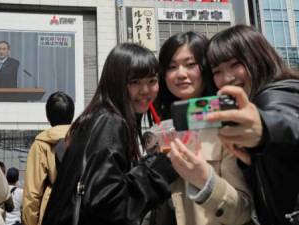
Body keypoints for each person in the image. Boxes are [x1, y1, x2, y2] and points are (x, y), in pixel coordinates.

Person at [41, 43, 178, 225]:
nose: (145, 90)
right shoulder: (111, 122)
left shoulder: (96, 117)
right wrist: (160, 167)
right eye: (135, 82)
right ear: (116, 82)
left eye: (152, 81)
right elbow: (107, 202)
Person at [155, 31, 252, 225]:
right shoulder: (161, 129)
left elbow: (243, 211)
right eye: (172, 67)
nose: (181, 74)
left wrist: (205, 180)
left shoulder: (228, 126)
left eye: (190, 65)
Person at [205, 25, 299, 225]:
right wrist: (251, 161)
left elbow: (289, 120)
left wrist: (265, 128)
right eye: (217, 71)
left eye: (235, 64)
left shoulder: (272, 97)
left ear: (258, 56)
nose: (227, 78)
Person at [23, 91, 75, 225]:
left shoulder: (41, 144)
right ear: (72, 114)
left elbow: (32, 195)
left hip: (52, 211)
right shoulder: (86, 139)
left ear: (48, 116)